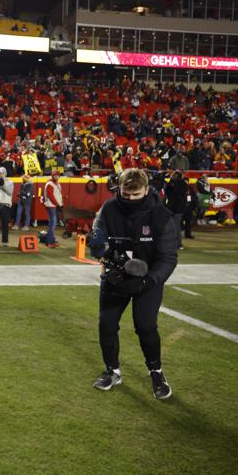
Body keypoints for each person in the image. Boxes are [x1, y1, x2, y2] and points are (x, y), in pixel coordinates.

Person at [90, 168, 178, 400]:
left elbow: (168, 258)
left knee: (145, 326)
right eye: (125, 194)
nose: (129, 199)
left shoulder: (160, 215)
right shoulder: (108, 208)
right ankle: (112, 371)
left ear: (147, 190)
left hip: (147, 280)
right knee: (106, 324)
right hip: (116, 276)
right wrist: (100, 249)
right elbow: (97, 239)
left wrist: (147, 282)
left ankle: (156, 373)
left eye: (135, 195)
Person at [41, 170, 63, 247]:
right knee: (52, 224)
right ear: (52, 176)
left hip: (54, 205)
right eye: (55, 175)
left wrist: (60, 204)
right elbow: (51, 196)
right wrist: (58, 204)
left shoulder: (56, 183)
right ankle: (49, 241)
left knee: (53, 223)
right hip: (51, 205)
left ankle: (51, 239)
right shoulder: (50, 184)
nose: (56, 177)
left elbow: (58, 195)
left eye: (57, 175)